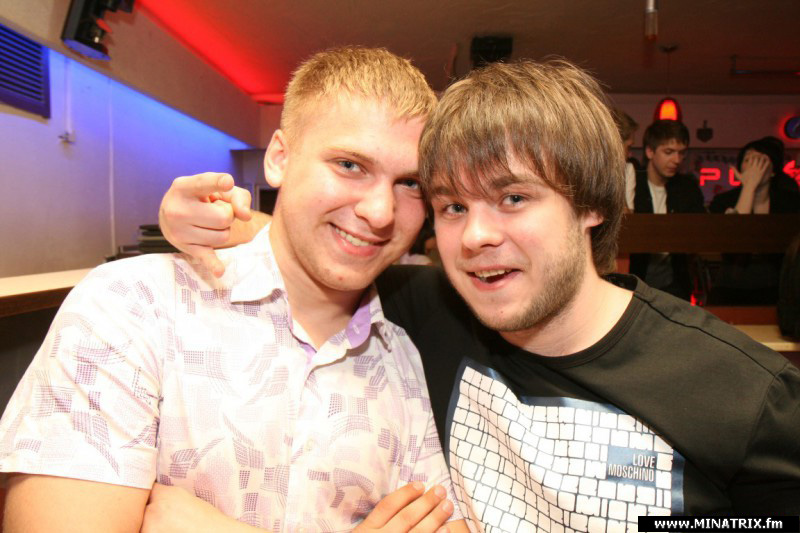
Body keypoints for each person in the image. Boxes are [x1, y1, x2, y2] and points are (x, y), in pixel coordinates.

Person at [161, 58, 800, 530]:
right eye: (453, 206)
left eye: (513, 197)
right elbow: (323, 243)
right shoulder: (433, 311)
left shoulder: (745, 395)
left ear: (591, 206)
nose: (476, 237)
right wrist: (215, 218)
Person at [0, 47, 468, 533]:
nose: (380, 212)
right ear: (280, 158)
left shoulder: (401, 356)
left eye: (410, 183)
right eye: (350, 165)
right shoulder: (134, 304)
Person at [707, 136, 800, 304]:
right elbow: (732, 239)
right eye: (748, 160)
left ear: (773, 170)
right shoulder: (723, 201)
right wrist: (749, 187)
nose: (753, 166)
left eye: (760, 160)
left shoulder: (790, 203)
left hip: (778, 287)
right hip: (732, 285)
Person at [628, 120, 705, 300]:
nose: (677, 160)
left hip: (675, 284)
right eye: (669, 152)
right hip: (634, 282)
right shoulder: (633, 184)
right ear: (650, 151)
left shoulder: (688, 188)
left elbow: (699, 231)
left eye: (681, 153)